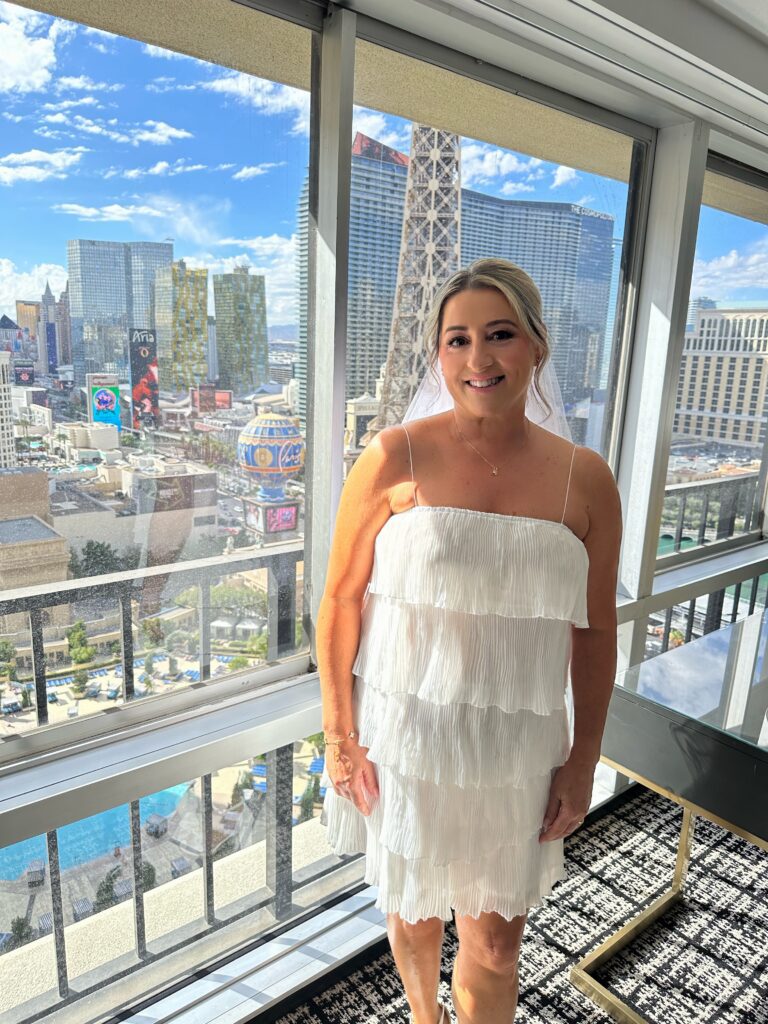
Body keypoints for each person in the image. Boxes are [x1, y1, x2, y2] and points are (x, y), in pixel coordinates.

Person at [317, 258, 622, 1023]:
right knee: (415, 910)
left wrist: (583, 758)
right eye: (457, 339)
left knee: (495, 946)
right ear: (437, 354)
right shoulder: (392, 456)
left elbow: (595, 631)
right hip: (406, 736)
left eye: (500, 334)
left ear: (537, 346)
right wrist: (340, 735)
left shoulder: (586, 480)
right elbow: (341, 598)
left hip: (517, 749)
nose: (478, 358)